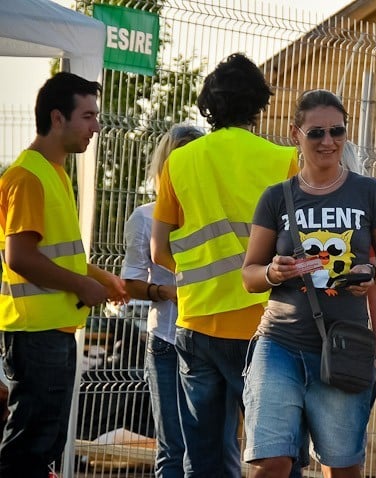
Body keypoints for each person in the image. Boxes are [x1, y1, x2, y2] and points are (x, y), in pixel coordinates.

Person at [150, 53, 298, 476]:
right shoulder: (281, 160)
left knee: (204, 457)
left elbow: (160, 251)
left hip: (196, 324)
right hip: (265, 325)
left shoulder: (180, 161)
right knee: (275, 451)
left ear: (209, 103)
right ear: (258, 104)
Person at [241, 89, 376, 477]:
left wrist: (371, 274)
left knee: (342, 467)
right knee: (271, 462)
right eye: (316, 133)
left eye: (337, 131)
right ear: (295, 134)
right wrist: (271, 273)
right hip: (279, 343)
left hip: (344, 347)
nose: (328, 141)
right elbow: (250, 274)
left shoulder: (369, 192)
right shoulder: (276, 197)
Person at [0, 72, 128, 478]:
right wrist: (81, 284)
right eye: (88, 116)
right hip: (35, 333)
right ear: (58, 118)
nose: (97, 126)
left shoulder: (52, 172)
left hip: (51, 332)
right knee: (30, 446)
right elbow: (19, 257)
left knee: (45, 444)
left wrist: (99, 277)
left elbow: (53, 254)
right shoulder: (28, 176)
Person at [122, 124, 243, 477]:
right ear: (167, 163)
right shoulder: (144, 217)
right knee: (174, 448)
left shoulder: (217, 212)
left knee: (223, 446)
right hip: (167, 342)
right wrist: (166, 291)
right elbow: (130, 283)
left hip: (213, 338)